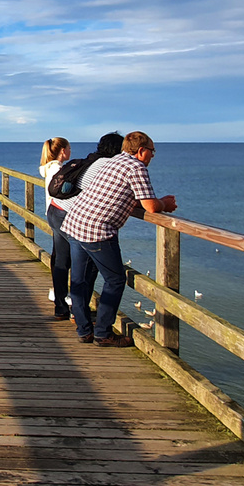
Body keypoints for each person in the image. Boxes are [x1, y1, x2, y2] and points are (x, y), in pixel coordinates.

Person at [61, 131, 177, 346]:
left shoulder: (114, 161)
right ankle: (103, 333)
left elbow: (120, 194)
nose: (152, 156)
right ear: (141, 150)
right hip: (97, 230)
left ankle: (84, 330)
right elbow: (150, 206)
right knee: (115, 280)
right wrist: (164, 204)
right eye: (152, 151)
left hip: (75, 223)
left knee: (79, 279)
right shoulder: (136, 167)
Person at [38, 137, 73, 319]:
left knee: (59, 257)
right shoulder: (58, 170)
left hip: (52, 213)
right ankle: (66, 301)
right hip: (62, 214)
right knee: (66, 260)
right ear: (62, 151)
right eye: (69, 148)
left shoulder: (49, 169)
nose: (70, 151)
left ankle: (60, 299)